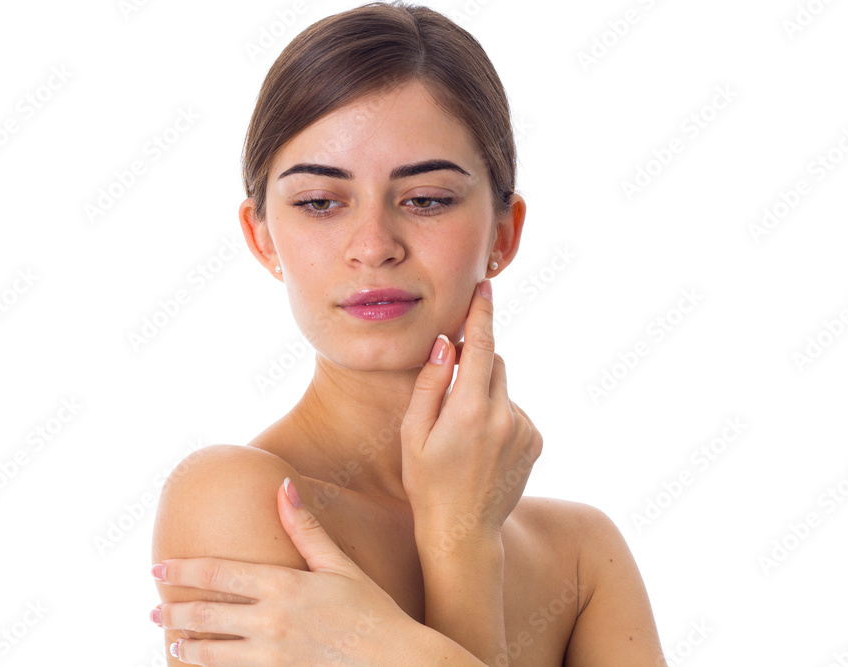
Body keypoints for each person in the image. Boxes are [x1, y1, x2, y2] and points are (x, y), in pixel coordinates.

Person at [149, 2, 666, 664]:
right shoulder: (242, 500)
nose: (373, 246)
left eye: (425, 199)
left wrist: (457, 548)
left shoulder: (584, 555)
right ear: (263, 237)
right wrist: (460, 547)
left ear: (503, 234)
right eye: (319, 202)